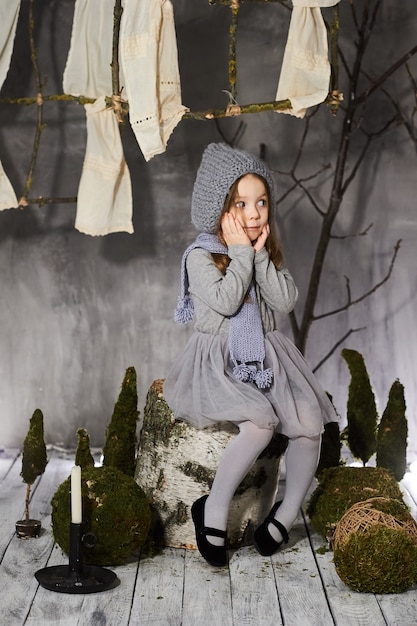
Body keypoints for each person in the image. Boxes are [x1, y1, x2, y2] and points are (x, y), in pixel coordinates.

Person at [163, 142, 337, 567]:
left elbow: (285, 300)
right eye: (242, 203)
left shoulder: (263, 252)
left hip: (266, 354)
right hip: (219, 361)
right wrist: (241, 255)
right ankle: (213, 508)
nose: (255, 212)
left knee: (310, 426)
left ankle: (286, 510)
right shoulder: (201, 256)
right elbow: (224, 301)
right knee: (260, 424)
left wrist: (258, 258)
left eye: (261, 202)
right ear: (220, 209)